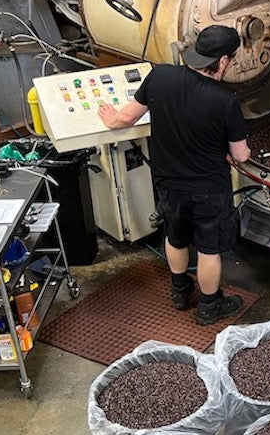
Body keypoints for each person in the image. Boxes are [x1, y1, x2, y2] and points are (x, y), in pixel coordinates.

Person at [98, 25, 251, 325]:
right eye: (232, 59)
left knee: (176, 237)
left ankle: (180, 292)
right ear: (222, 61)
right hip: (209, 188)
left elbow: (125, 118)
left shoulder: (160, 76)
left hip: (168, 182)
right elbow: (241, 155)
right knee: (208, 248)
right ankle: (209, 306)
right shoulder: (226, 100)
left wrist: (109, 117)